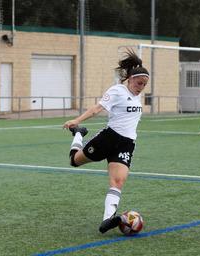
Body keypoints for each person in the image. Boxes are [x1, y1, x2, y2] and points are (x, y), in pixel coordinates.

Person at [63, 50, 149, 233]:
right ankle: (78, 134)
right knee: (74, 161)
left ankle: (107, 220)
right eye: (139, 83)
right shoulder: (117, 90)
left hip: (126, 144)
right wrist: (76, 121)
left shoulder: (137, 94)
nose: (141, 87)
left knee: (118, 181)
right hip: (108, 138)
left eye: (144, 84)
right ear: (130, 79)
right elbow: (97, 109)